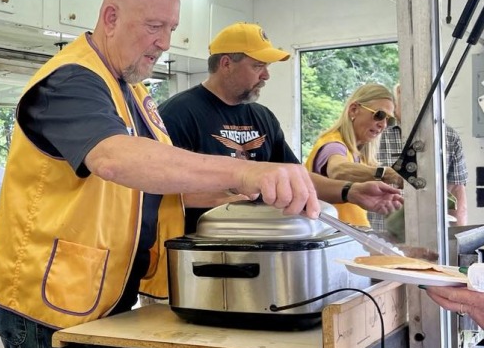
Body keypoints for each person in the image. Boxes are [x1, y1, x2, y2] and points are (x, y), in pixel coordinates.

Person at [0, 0, 323, 348]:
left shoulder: (133, 93)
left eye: (171, 29)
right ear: (110, 18)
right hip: (47, 304)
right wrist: (244, 172)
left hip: (96, 295)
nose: (164, 42)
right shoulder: (69, 81)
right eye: (153, 26)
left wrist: (244, 194)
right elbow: (114, 159)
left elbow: (155, 189)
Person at [158, 23, 403, 234]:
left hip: (263, 248)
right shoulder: (178, 114)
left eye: (267, 67)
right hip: (198, 255)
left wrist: (351, 191)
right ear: (226, 64)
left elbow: (297, 177)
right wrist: (227, 194)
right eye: (257, 66)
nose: (266, 75)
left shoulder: (263, 117)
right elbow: (152, 192)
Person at [370, 84, 468, 234]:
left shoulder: (448, 136)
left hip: (432, 237)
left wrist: (458, 240)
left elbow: (456, 191)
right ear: (399, 94)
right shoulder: (376, 132)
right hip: (382, 238)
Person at [304, 83, 402, 226]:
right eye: (379, 115)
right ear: (354, 110)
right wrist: (388, 174)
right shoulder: (333, 145)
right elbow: (338, 170)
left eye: (389, 119)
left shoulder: (358, 154)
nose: (383, 125)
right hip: (334, 241)